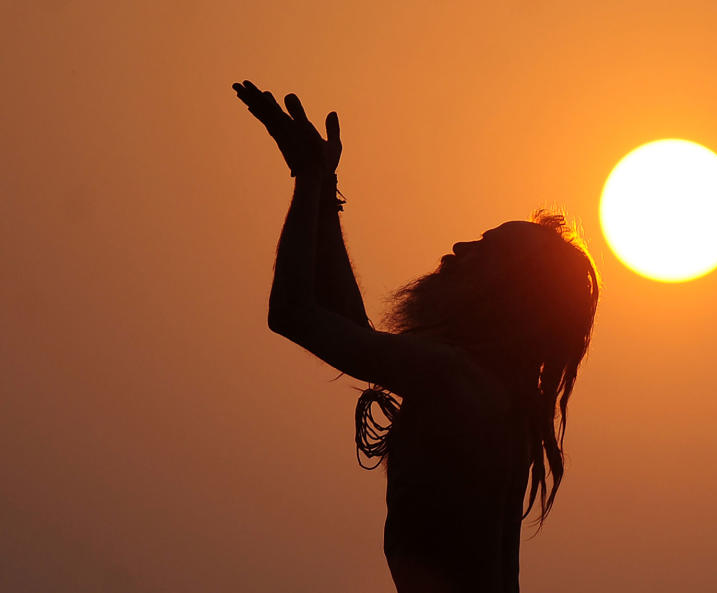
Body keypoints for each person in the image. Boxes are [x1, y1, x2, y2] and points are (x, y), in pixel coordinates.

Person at [232, 80, 600, 593]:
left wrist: (310, 178)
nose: (458, 246)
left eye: (483, 247)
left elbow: (294, 313)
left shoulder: (455, 378)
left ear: (502, 290)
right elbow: (352, 332)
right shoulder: (480, 388)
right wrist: (320, 190)